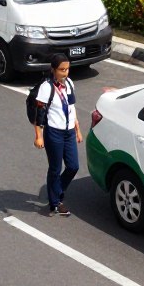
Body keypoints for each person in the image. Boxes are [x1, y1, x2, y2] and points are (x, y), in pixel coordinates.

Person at [33, 54, 81, 217]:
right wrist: (38, 136)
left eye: (67, 69)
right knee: (55, 168)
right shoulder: (46, 87)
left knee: (73, 166)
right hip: (54, 132)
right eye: (62, 70)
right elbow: (40, 113)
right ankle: (55, 203)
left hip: (69, 132)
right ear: (53, 70)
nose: (65, 73)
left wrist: (77, 129)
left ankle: (56, 191)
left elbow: (71, 108)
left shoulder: (70, 84)